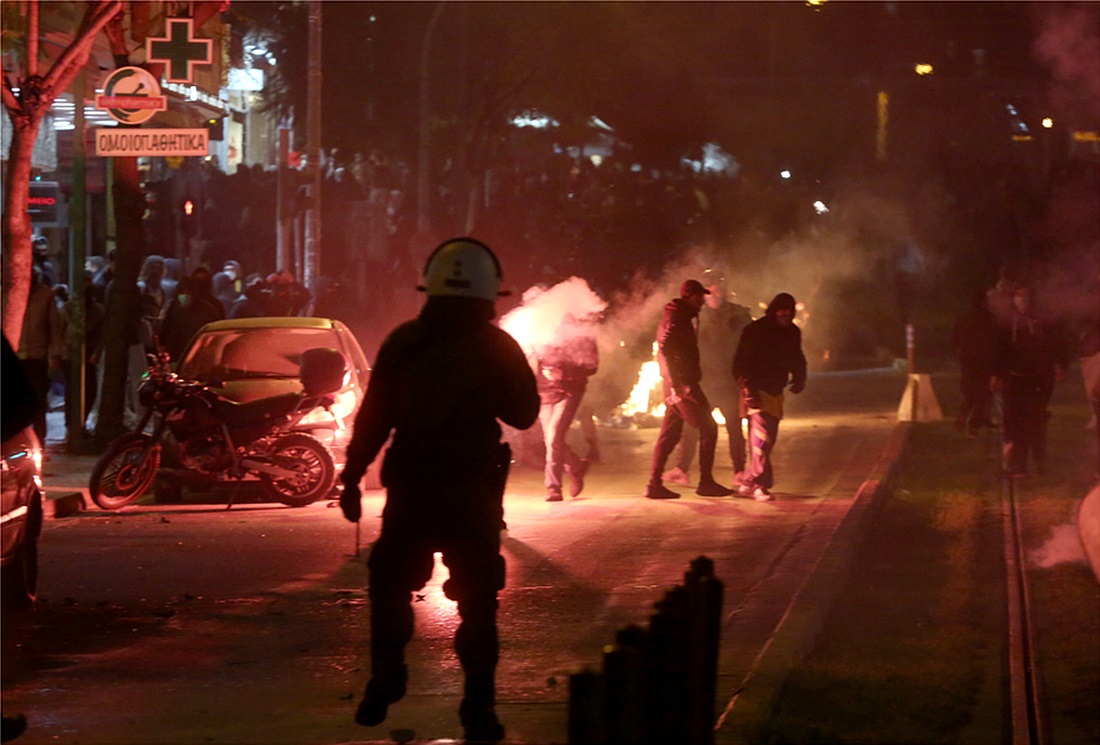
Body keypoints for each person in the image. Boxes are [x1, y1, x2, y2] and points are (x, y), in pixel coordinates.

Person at [337, 237, 540, 742]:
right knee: (478, 602)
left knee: (388, 581)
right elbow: (523, 412)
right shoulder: (498, 346)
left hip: (413, 486)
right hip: (471, 489)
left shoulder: (404, 342)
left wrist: (352, 477)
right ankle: (479, 709)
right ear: (490, 294)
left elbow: (375, 417)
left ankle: (388, 676)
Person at [644, 280, 734, 500]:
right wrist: (676, 384)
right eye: (699, 297)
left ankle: (654, 485)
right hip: (682, 386)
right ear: (690, 297)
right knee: (709, 427)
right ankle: (705, 482)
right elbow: (664, 349)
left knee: (670, 434)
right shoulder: (676, 317)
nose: (702, 301)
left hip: (680, 384)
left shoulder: (683, 316)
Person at [663, 275, 753, 485]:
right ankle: (682, 469)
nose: (715, 295)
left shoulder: (737, 314)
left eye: (719, 290)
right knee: (692, 427)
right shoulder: (696, 315)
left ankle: (739, 471)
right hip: (705, 381)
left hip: (729, 380)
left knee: (734, 427)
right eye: (711, 291)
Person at [732, 292, 807, 501]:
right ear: (774, 311)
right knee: (761, 441)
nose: (786, 315)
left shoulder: (792, 332)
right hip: (756, 392)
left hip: (775, 392)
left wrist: (800, 378)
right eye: (782, 311)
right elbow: (741, 363)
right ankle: (759, 484)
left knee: (768, 441)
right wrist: (748, 390)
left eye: (790, 312)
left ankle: (747, 481)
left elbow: (797, 357)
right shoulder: (755, 330)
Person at [993, 283, 1069, 476]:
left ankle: (1039, 461)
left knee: (1036, 421)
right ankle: (1019, 464)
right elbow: (1000, 350)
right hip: (1015, 379)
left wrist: (1059, 365)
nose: (1022, 299)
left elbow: (1057, 343)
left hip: (1038, 378)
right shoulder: (1007, 322)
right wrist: (997, 374)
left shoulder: (1043, 320)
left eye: (1026, 295)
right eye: (1018, 295)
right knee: (1015, 423)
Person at [536, 315, 599, 501]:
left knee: (554, 435)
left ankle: (553, 487)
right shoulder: (544, 328)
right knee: (551, 440)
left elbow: (592, 366)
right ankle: (577, 467)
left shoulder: (585, 334)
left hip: (570, 390)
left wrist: (564, 374)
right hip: (545, 392)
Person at [17, 265, 65, 444]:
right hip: (17, 354)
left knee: (38, 401)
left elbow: (54, 326)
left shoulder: (45, 295)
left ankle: (39, 441)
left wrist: (56, 354)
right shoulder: (10, 293)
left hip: (37, 356)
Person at [950, 289, 999, 437]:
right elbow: (996, 341)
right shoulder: (990, 318)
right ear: (985, 302)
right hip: (985, 360)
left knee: (969, 391)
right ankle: (974, 426)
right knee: (983, 394)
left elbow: (954, 339)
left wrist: (960, 352)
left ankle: (963, 415)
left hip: (966, 360)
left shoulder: (963, 317)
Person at [159, 267, 225, 362]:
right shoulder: (173, 309)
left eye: (188, 292)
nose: (185, 295)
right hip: (176, 358)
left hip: (200, 358)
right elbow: (167, 332)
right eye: (182, 292)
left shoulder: (208, 310)